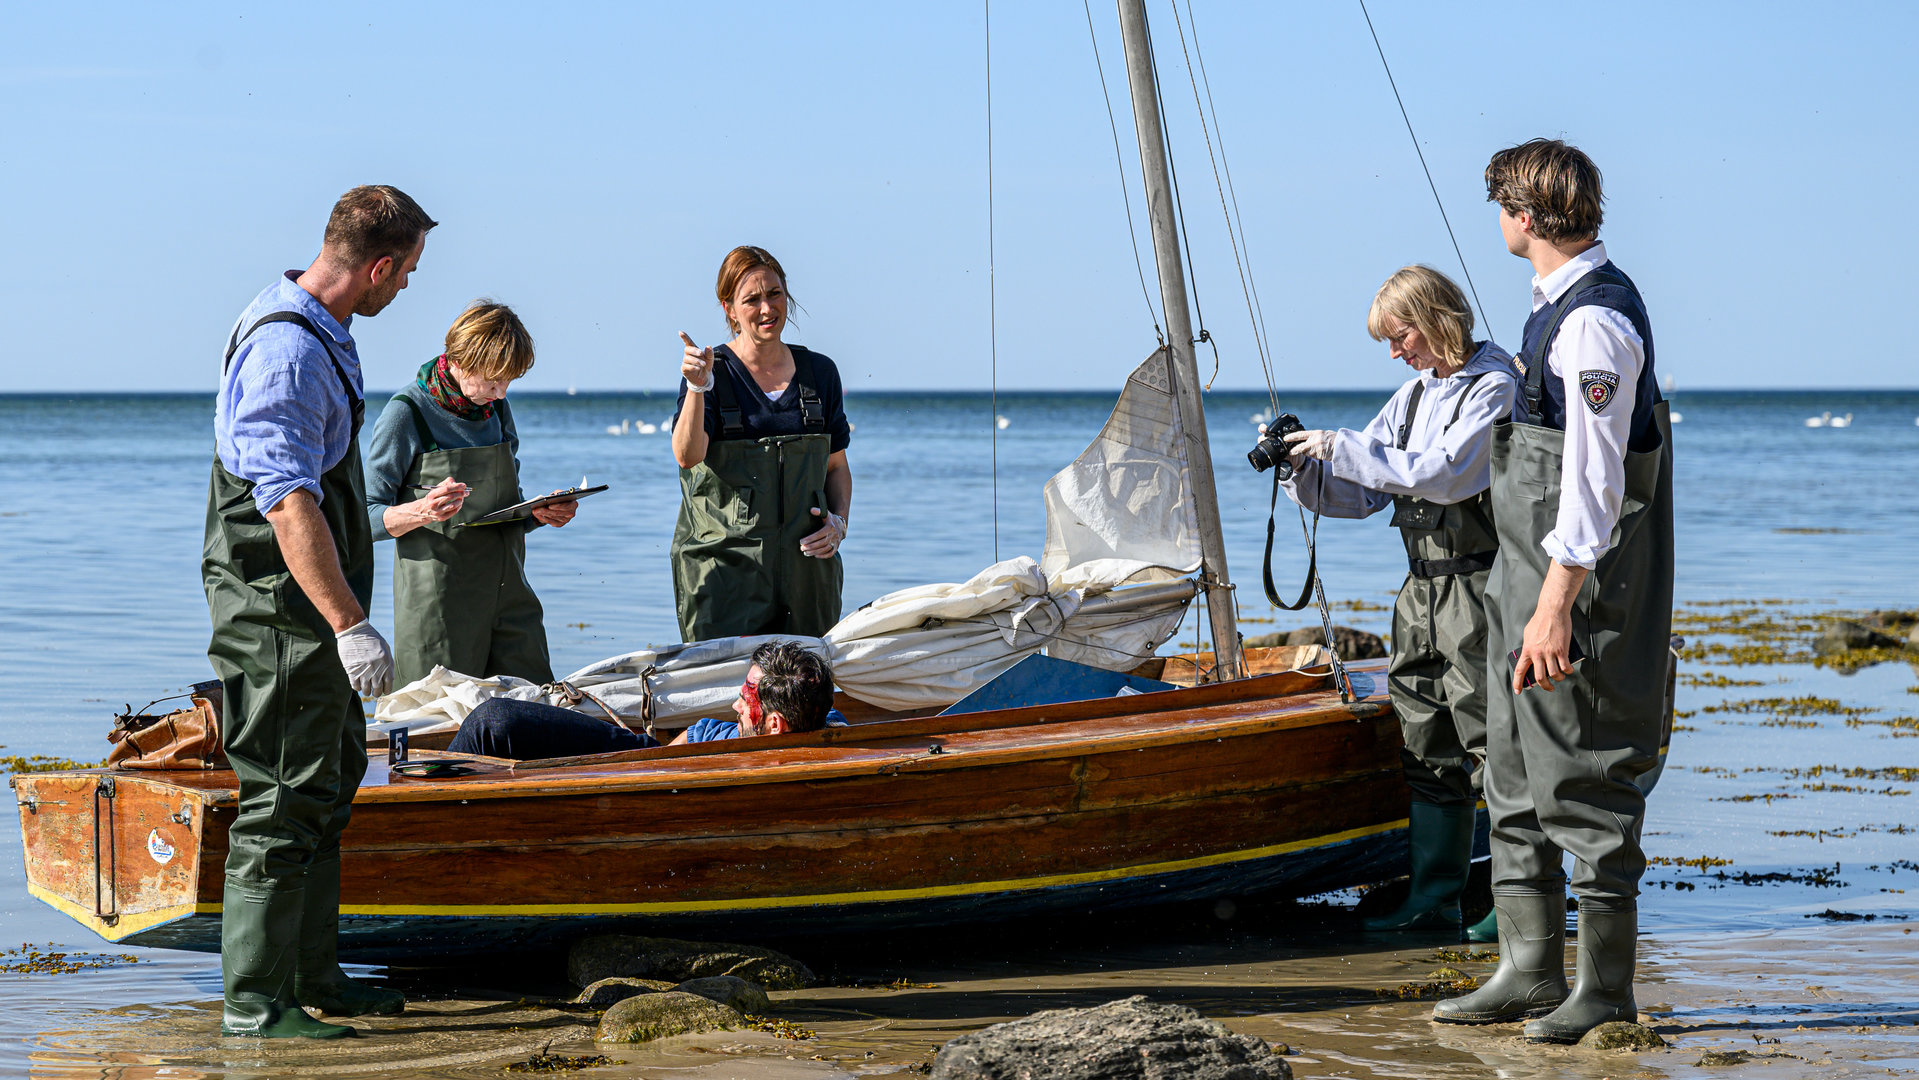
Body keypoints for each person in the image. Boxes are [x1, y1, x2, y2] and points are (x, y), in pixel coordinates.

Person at [1432, 139, 1673, 1044]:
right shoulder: (1550, 310)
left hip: (1579, 589)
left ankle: (1604, 992)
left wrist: (1554, 602)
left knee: (1586, 774)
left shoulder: (1592, 324)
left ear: (1523, 217)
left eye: (1498, 206)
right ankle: (1528, 970)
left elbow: (1596, 482)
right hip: (1523, 580)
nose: (1495, 220)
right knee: (1512, 769)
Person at [205, 185, 434, 1037]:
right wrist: (349, 623)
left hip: (307, 608)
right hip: (278, 613)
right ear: (377, 265)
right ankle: (255, 1007)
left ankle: (314, 976)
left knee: (329, 784)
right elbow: (288, 502)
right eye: (406, 272)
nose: (406, 286)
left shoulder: (311, 325)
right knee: (282, 797)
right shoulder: (288, 354)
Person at [1276, 265, 1519, 938]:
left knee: (1495, 743)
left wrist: (1338, 444)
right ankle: (1433, 899)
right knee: (1424, 737)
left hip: (1481, 585)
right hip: (1418, 590)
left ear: (1438, 316)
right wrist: (1303, 468)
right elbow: (1358, 494)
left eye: (1399, 333)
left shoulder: (1495, 387)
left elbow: (1443, 476)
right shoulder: (1412, 396)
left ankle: (1516, 908)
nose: (1394, 351)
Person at [364, 301, 576, 688]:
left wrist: (539, 513)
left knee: (537, 710)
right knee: (434, 726)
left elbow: (502, 511)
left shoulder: (496, 409)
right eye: (493, 380)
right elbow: (362, 517)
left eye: (508, 380)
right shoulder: (406, 414)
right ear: (458, 362)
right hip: (438, 610)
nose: (500, 392)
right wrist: (422, 511)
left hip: (510, 597)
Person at [671, 246, 852, 642]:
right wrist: (697, 387)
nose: (767, 308)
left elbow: (836, 468)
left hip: (808, 582)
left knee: (808, 690)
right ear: (729, 309)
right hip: (725, 580)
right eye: (751, 299)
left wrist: (838, 523)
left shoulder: (820, 374)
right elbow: (687, 456)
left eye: (774, 293)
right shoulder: (710, 371)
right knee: (725, 696)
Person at [445, 640, 841, 759]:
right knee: (495, 721)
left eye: (745, 701)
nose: (735, 705)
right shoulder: (828, 724)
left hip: (667, 778)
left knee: (491, 722)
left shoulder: (840, 757)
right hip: (655, 758)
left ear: (774, 725)